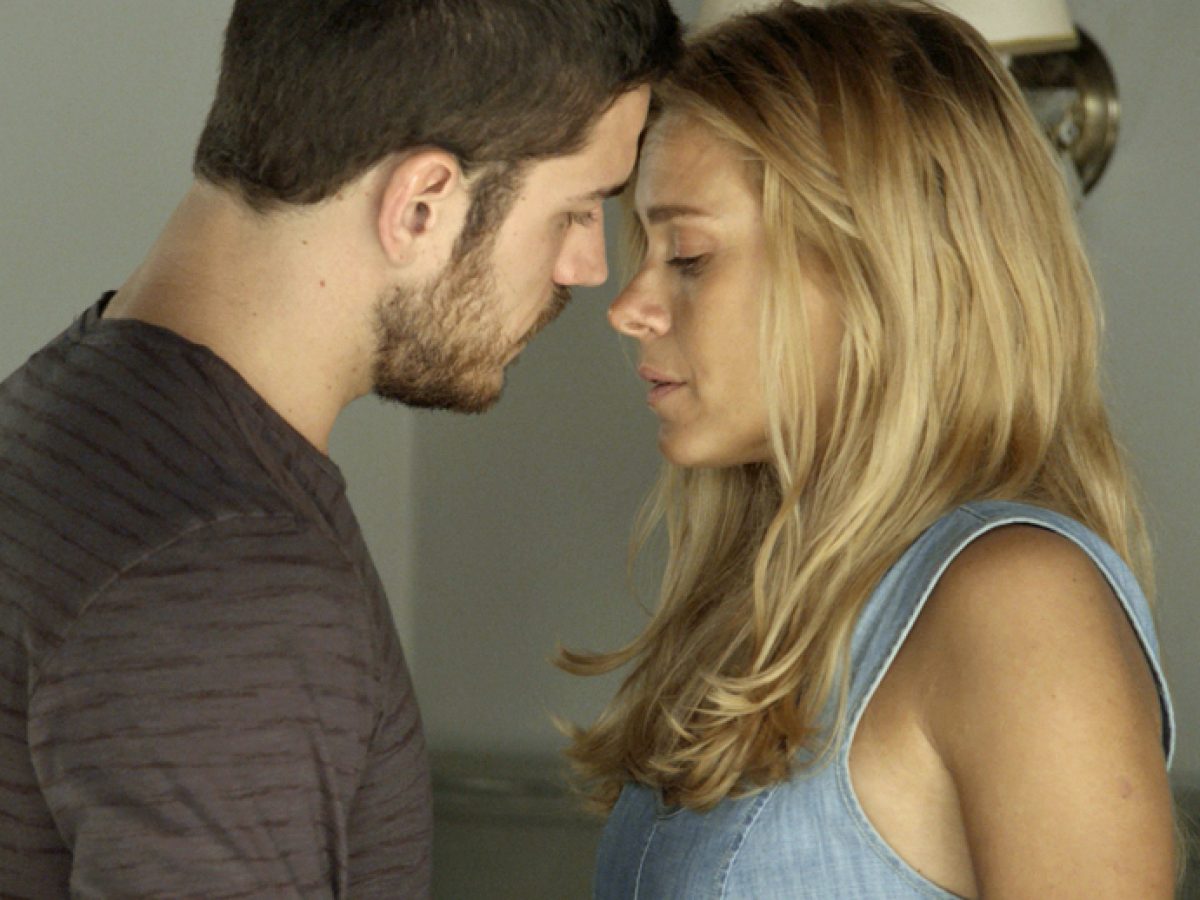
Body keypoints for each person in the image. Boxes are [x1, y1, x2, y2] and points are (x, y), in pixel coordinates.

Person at [0, 0, 681, 896]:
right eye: (579, 208)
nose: (588, 268)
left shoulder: (65, 414)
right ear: (421, 204)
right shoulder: (228, 582)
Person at [559, 2, 1178, 897]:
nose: (629, 307)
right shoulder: (770, 599)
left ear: (876, 274)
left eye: (687, 256)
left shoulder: (1019, 600)